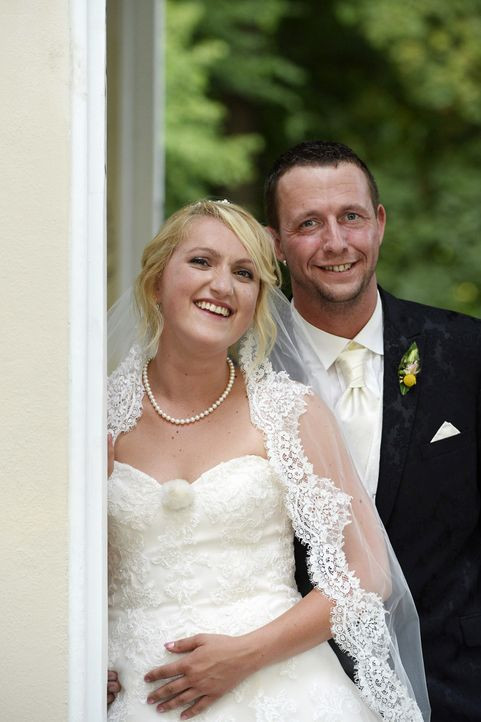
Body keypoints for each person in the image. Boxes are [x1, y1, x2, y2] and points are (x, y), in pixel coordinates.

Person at [106, 199, 429, 721]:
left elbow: (366, 574)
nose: (222, 285)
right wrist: (81, 656)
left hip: (282, 691)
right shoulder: (98, 419)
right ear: (154, 283)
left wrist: (242, 655)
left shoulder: (289, 412)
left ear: (257, 302)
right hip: (137, 697)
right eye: (201, 262)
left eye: (244, 273)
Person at [264, 140, 481, 722]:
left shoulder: (465, 352)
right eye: (308, 223)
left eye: (351, 217)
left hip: (455, 689)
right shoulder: (239, 374)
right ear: (276, 243)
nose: (335, 242)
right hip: (291, 691)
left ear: (379, 224)